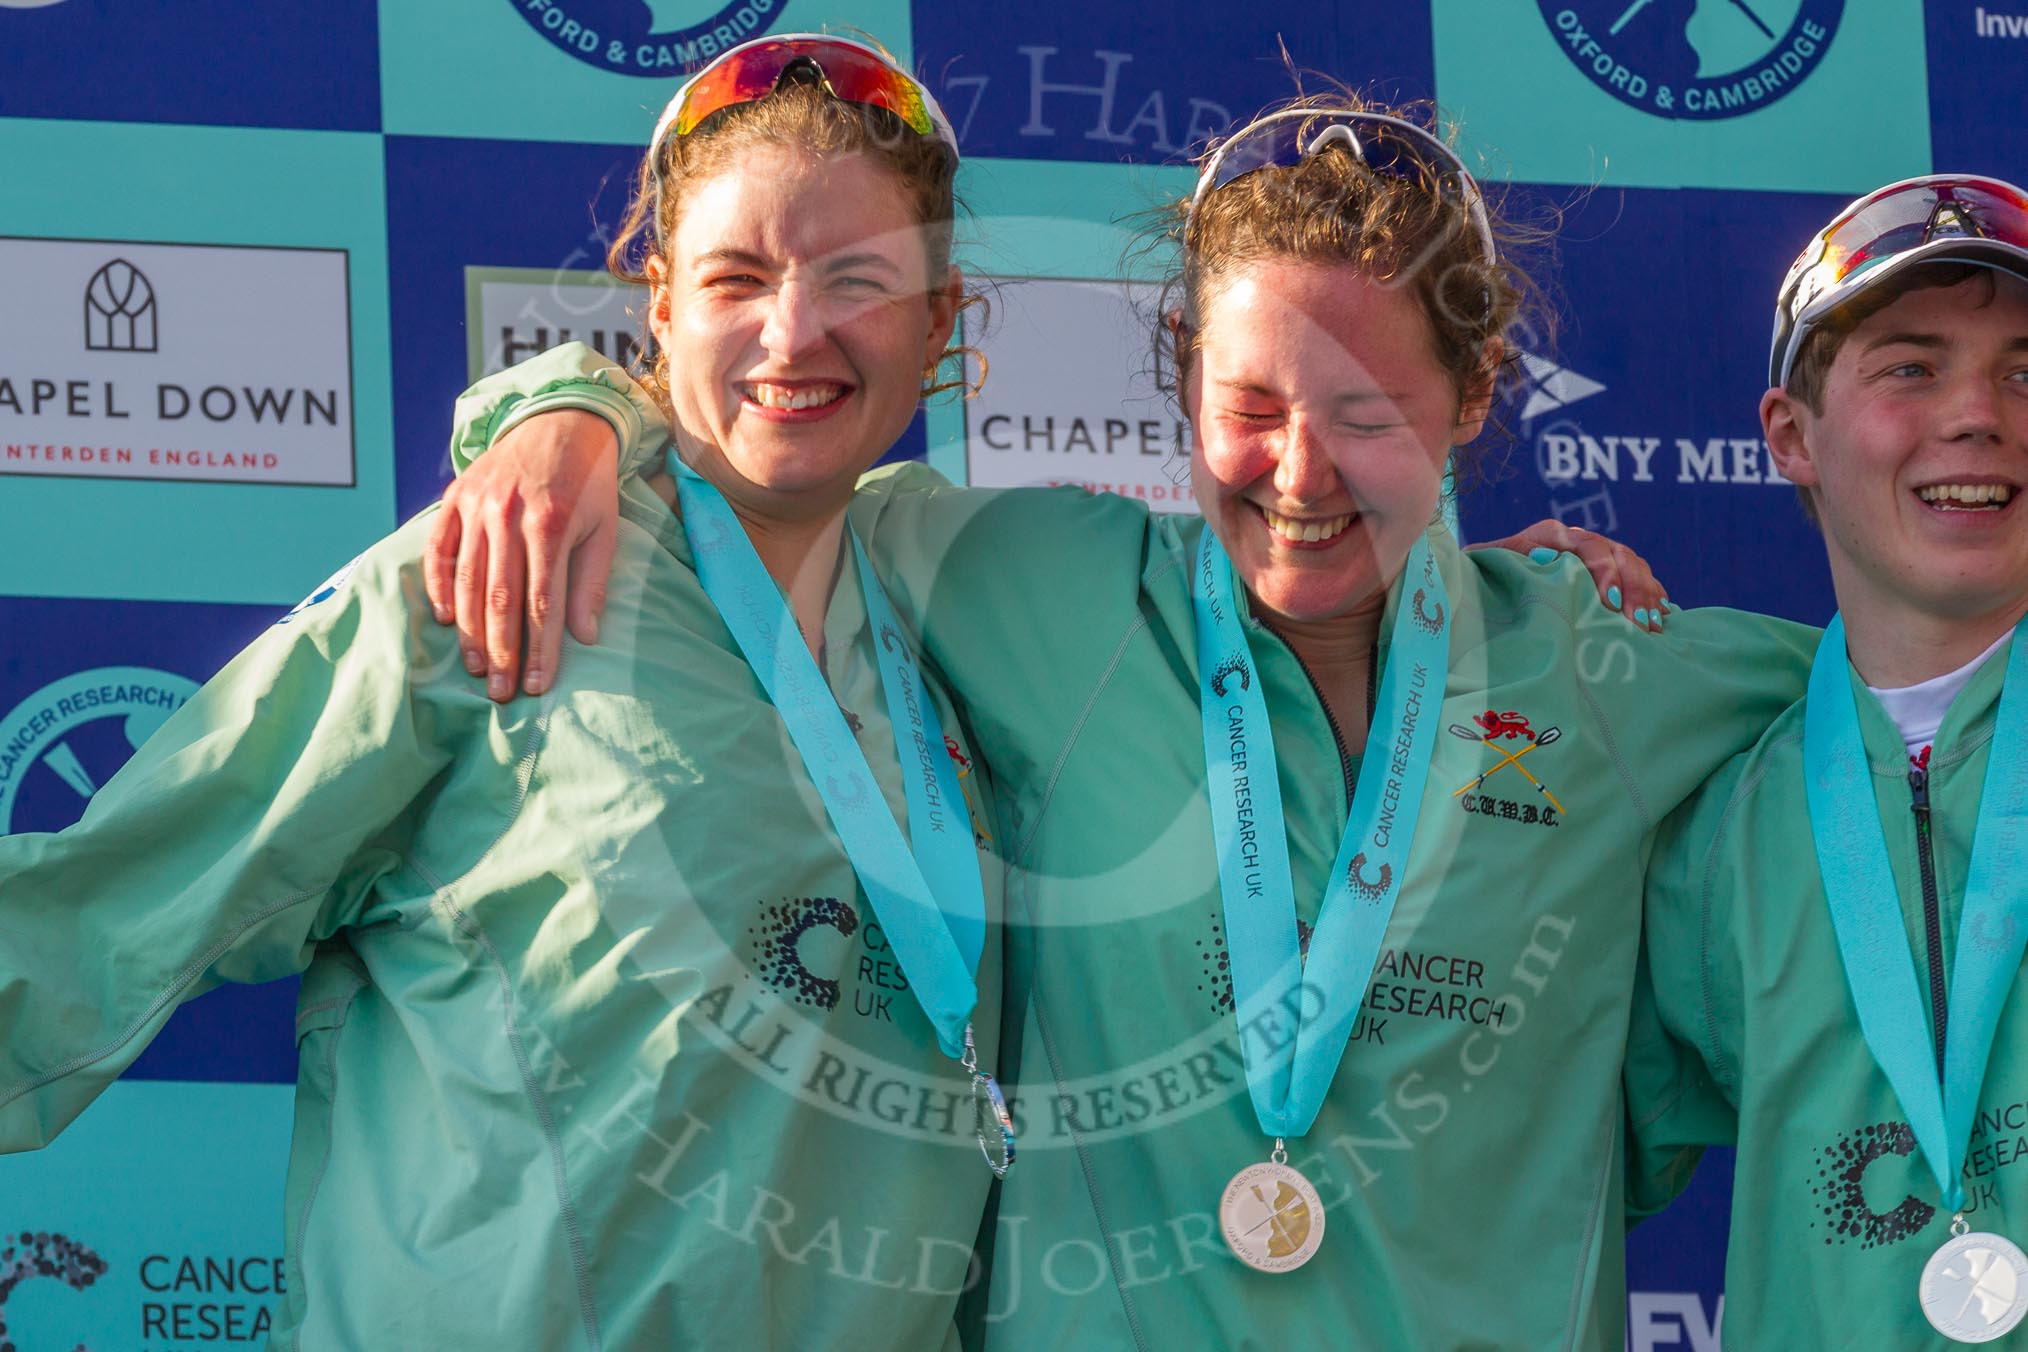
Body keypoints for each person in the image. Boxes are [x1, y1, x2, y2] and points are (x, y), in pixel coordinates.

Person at [432, 91, 1815, 1347]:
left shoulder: (1603, 668)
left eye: (1371, 414)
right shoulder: (1044, 590)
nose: (1302, 473)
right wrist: (568, 409)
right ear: (1180, 369)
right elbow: (766, 470)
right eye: (1253, 404)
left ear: (1474, 391)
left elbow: (1915, 688)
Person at [0, 35, 1017, 1350]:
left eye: (857, 279)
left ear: (940, 317)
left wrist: (574, 402)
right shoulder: (498, 565)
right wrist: (571, 411)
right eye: (737, 276)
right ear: (660, 300)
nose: (793, 330)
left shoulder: (986, 616)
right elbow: (100, 914)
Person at [1628, 175, 2028, 1346]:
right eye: (1910, 365)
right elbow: (1511, 1164)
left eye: (2025, 369)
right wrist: (1480, 616)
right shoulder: (1712, 830)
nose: (1979, 413)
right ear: (1791, 435)